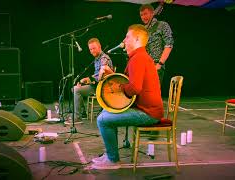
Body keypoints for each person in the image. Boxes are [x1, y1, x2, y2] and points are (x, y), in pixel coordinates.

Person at [91, 24, 164, 169]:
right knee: (106, 112)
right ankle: (111, 154)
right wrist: (111, 74)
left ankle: (113, 160)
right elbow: (129, 81)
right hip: (146, 109)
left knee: (103, 120)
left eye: (127, 36)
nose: (124, 39)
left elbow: (135, 88)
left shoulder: (138, 58)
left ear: (136, 39)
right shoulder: (139, 57)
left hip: (148, 113)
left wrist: (120, 87)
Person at [73, 38, 113, 121]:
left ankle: (77, 117)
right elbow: (96, 76)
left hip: (102, 88)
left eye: (94, 48)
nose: (92, 51)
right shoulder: (97, 58)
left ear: (99, 46)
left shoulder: (104, 58)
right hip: (96, 85)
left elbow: (101, 76)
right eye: (90, 49)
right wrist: (85, 81)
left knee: (76, 90)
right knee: (74, 88)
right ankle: (83, 113)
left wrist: (86, 79)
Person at [139, 4, 174, 86]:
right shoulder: (143, 29)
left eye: (145, 13)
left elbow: (169, 44)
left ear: (152, 13)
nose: (143, 17)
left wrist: (160, 64)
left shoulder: (162, 25)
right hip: (143, 66)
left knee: (152, 94)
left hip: (156, 65)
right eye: (141, 15)